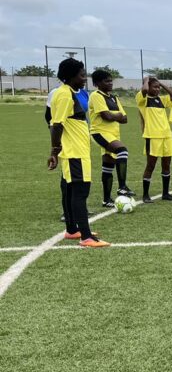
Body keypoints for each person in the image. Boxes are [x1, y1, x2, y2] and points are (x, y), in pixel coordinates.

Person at [47, 58, 109, 247]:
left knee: (70, 189)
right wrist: (54, 151)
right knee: (80, 192)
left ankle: (72, 230)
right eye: (82, 75)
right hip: (75, 152)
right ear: (70, 76)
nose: (85, 78)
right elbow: (56, 125)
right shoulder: (65, 95)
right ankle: (86, 237)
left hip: (75, 150)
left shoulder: (68, 92)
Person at [89, 69, 133, 207]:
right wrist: (117, 116)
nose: (110, 83)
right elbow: (106, 116)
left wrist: (115, 116)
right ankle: (122, 186)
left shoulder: (113, 98)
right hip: (100, 132)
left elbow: (125, 118)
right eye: (106, 81)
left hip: (113, 134)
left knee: (108, 165)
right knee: (122, 151)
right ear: (97, 83)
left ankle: (106, 199)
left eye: (110, 80)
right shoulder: (96, 96)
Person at [136, 76, 172, 204]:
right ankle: (145, 195)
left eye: (158, 87)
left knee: (166, 165)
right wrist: (147, 79)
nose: (157, 89)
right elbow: (144, 90)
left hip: (167, 136)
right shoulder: (143, 100)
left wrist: (162, 84)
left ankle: (166, 193)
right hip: (153, 137)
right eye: (155, 87)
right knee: (151, 165)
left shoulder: (161, 100)